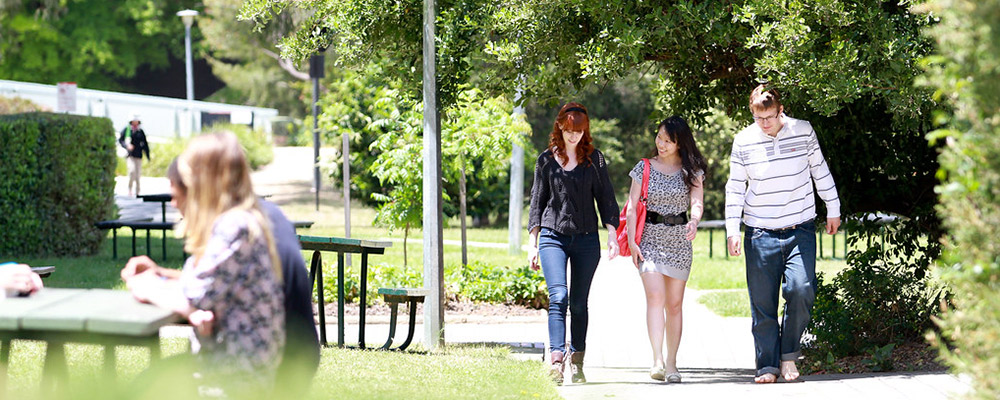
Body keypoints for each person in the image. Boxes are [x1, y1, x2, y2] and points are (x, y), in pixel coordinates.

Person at [121, 156, 320, 396]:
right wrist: (163, 274)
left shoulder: (236, 227)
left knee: (145, 387)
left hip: (265, 366)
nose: (173, 204)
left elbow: (197, 295)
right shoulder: (262, 214)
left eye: (176, 195)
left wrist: (147, 287)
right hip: (285, 352)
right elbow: (223, 280)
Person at [725, 84, 841, 383]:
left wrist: (833, 207)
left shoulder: (802, 131)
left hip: (799, 227)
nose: (765, 124)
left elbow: (819, 169)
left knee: (801, 289)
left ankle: (789, 356)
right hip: (759, 231)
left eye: (770, 117)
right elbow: (735, 187)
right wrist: (732, 229)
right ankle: (767, 365)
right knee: (763, 303)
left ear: (781, 110)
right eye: (758, 117)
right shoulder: (743, 141)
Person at [527, 102, 620, 385]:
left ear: (585, 131)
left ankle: (577, 361)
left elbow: (606, 199)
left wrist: (612, 236)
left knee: (579, 303)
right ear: (560, 127)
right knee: (559, 298)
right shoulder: (545, 160)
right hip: (552, 236)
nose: (574, 136)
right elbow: (536, 202)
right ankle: (556, 360)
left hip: (587, 240)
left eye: (579, 131)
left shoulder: (595, 160)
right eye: (569, 131)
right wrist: (533, 243)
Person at [625, 116, 705, 383]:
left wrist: (694, 221)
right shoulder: (643, 167)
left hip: (679, 241)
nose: (661, 144)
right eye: (659, 137)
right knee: (655, 297)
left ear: (680, 143)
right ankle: (657, 359)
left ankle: (672, 363)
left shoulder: (691, 170)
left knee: (674, 305)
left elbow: (696, 201)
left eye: (668, 141)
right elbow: (633, 206)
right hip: (649, 240)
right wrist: (633, 241)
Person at [118, 114, 151, 197]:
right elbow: (121, 140)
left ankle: (137, 191)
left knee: (138, 174)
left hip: (138, 155)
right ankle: (130, 188)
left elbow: (145, 144)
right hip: (130, 155)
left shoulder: (140, 131)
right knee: (132, 171)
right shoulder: (127, 130)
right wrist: (127, 146)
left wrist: (147, 155)